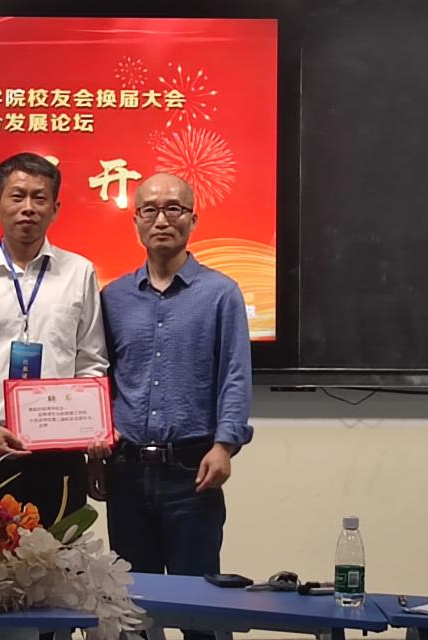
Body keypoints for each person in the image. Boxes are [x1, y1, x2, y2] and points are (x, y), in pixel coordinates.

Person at [90, 172, 253, 640]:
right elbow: (99, 377)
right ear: (136, 220)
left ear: (193, 219)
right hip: (125, 473)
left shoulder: (221, 293)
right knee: (132, 612)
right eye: (150, 210)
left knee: (202, 612)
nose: (162, 219)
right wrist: (93, 452)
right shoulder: (113, 297)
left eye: (174, 209)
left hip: (192, 473)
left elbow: (235, 375)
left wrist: (225, 445)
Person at [0, 152, 108, 527]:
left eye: (39, 198)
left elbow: (91, 360)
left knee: (63, 559)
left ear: (55, 209)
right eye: (17, 196)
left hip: (61, 453)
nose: (28, 207)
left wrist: (91, 427)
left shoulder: (79, 272)